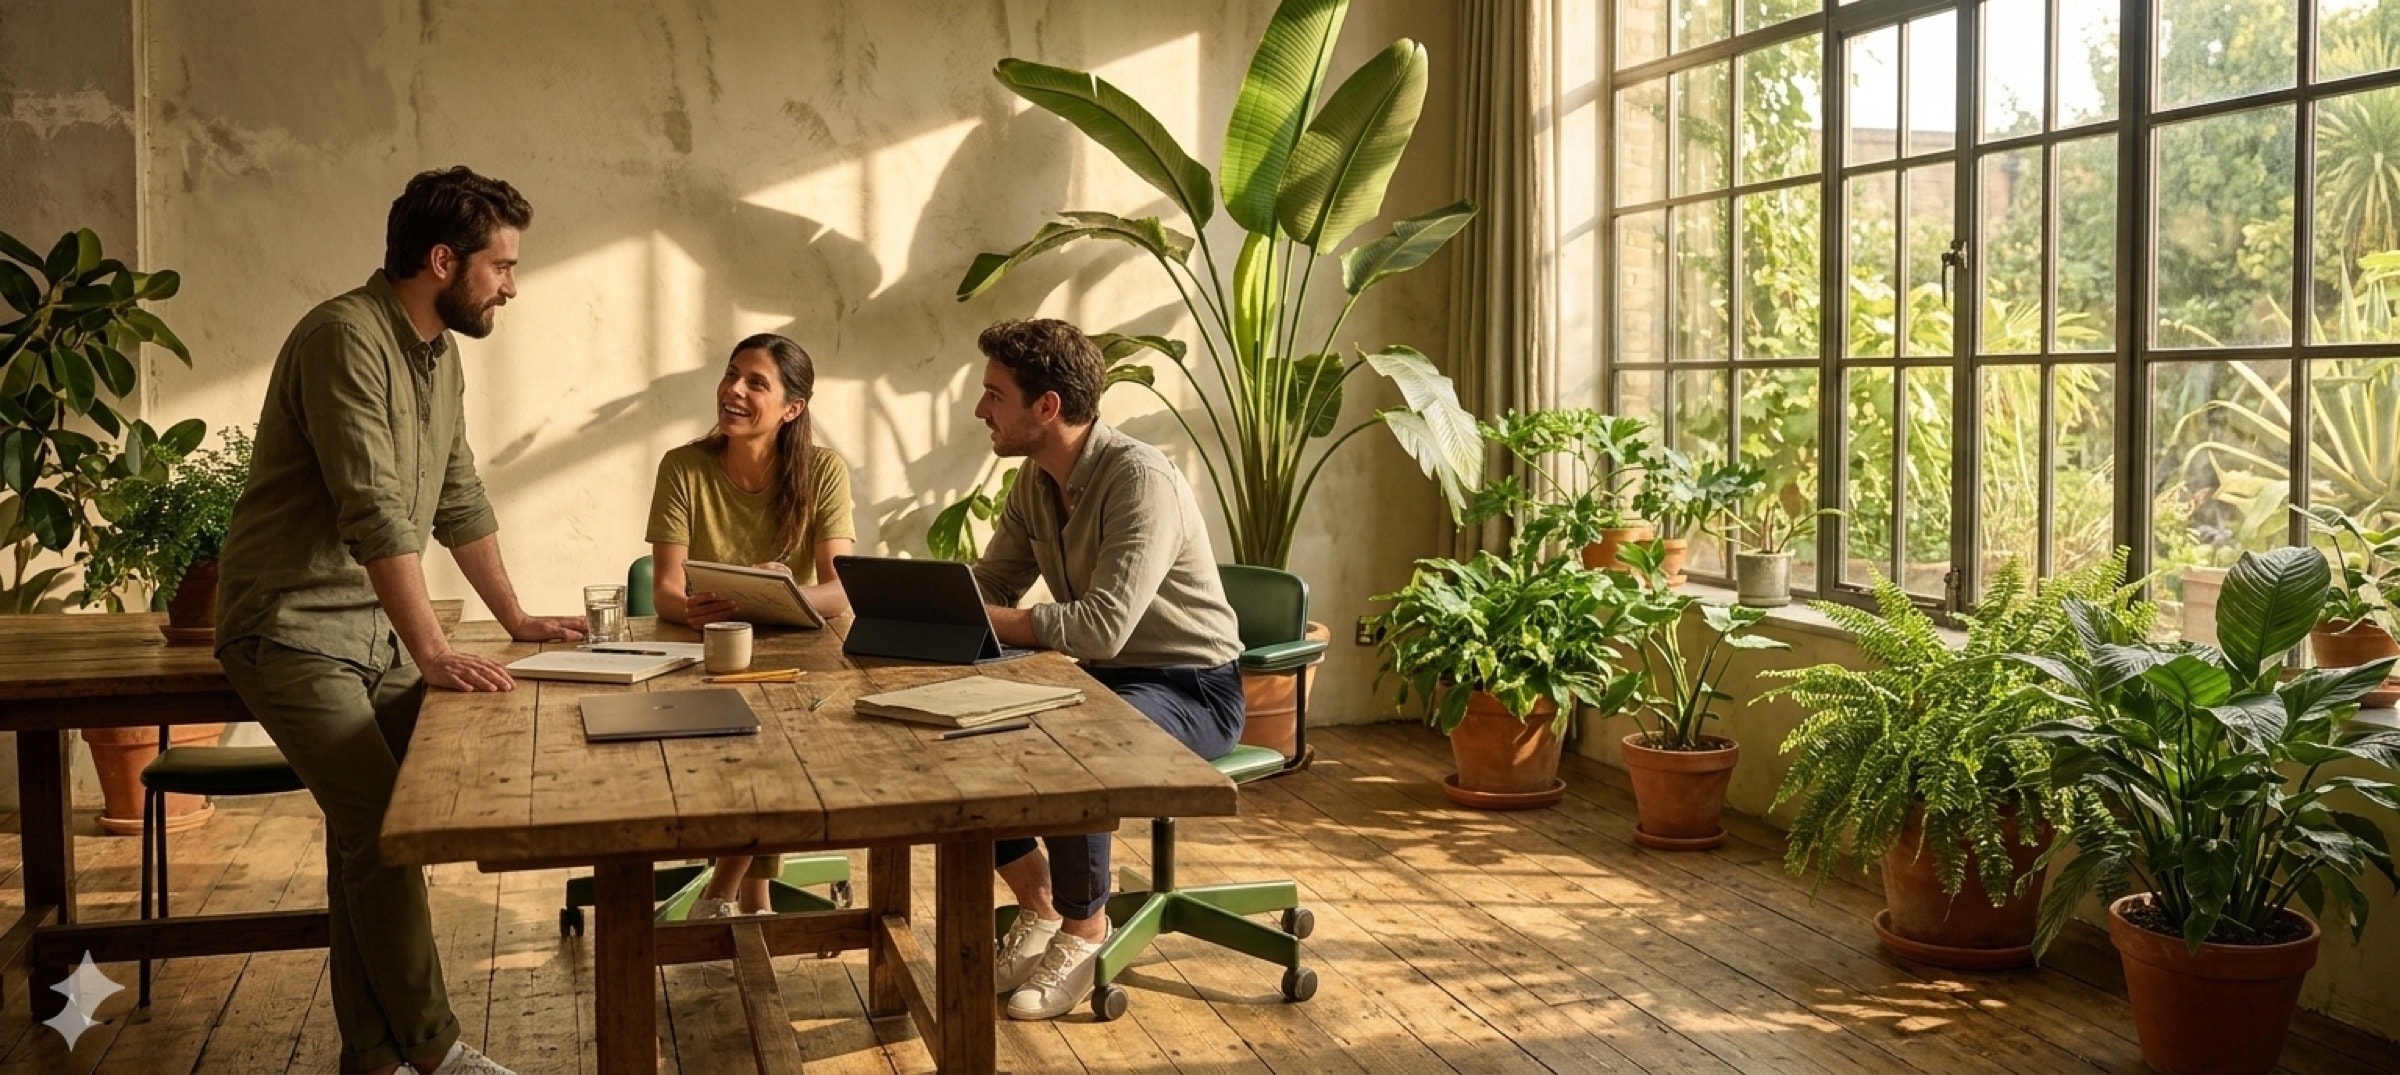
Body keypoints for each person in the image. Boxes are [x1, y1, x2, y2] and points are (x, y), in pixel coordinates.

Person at [214, 166, 584, 1075]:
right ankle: (436, 1048)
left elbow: (456, 493)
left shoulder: (436, 351)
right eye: (501, 266)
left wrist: (518, 616)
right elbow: (375, 509)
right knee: (384, 828)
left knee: (366, 837)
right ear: (442, 259)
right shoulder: (344, 337)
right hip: (289, 626)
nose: (511, 287)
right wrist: (436, 649)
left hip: (367, 634)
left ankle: (371, 1056)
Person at [966, 318, 1246, 1021]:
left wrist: (986, 621)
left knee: (1073, 742)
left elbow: (1100, 625)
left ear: (1048, 407)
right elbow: (992, 583)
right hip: (1099, 680)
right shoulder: (1036, 482)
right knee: (965, 726)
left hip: (1192, 687)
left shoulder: (1139, 479)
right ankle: (1041, 898)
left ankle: (1088, 925)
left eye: (994, 394)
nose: (981, 410)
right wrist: (932, 604)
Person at [645, 332, 854, 916]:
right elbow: (665, 587)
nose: (733, 390)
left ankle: (726, 892)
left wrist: (782, 593)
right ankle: (751, 898)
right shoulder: (684, 466)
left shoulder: (822, 470)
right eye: (731, 374)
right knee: (762, 746)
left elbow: (840, 589)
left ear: (793, 408)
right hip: (706, 653)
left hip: (797, 658)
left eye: (755, 382)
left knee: (780, 738)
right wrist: (685, 608)